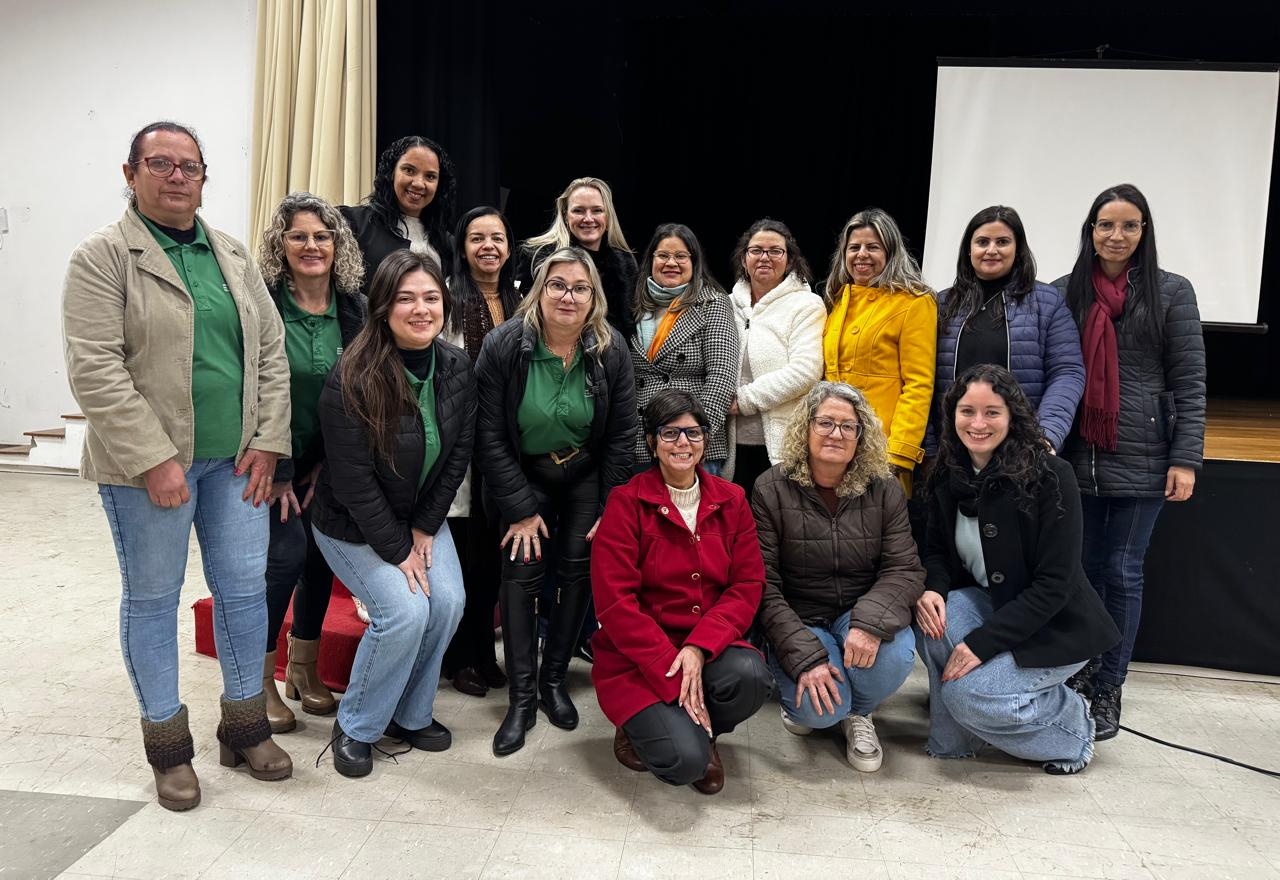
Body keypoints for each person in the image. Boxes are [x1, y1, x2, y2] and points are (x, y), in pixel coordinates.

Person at [63, 120, 293, 811]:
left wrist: (269, 438)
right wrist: (154, 458)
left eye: (188, 165)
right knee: (154, 601)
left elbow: (271, 353)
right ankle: (169, 751)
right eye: (159, 163)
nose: (175, 175)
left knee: (245, 595)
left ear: (203, 176)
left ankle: (245, 726)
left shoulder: (231, 254)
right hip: (148, 473)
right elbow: (94, 369)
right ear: (130, 174)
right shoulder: (102, 257)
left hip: (236, 465)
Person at [309, 250, 473, 777]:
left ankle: (410, 713)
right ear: (383, 307)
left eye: (430, 298)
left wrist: (425, 527)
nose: (420, 309)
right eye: (406, 299)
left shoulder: (456, 367)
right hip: (352, 525)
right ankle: (356, 724)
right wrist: (400, 551)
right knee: (403, 613)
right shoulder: (352, 375)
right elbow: (354, 482)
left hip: (418, 519)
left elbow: (456, 457)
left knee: (447, 601)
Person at [1053, 184, 1206, 740]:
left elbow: (1189, 381)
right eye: (1105, 225)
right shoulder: (1063, 293)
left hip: (1144, 454)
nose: (1116, 236)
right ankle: (1080, 674)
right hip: (1076, 455)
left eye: (1129, 225)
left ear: (1145, 232)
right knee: (1079, 573)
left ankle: (1109, 687)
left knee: (1120, 571)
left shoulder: (1171, 292)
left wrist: (1186, 456)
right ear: (1090, 231)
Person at [915, 365, 1120, 774]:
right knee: (932, 622)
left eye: (992, 412)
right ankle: (956, 741)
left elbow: (1054, 585)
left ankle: (1073, 727)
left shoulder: (1051, 476)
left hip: (1055, 625)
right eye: (967, 411)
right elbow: (936, 552)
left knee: (970, 696)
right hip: (993, 605)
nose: (977, 423)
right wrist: (933, 589)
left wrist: (981, 644)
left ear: (1013, 417)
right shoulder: (945, 473)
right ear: (952, 415)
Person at [476, 246, 637, 756]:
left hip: (585, 472)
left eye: (580, 288)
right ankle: (521, 700)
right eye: (558, 285)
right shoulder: (504, 345)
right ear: (539, 291)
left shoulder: (612, 350)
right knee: (522, 574)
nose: (569, 296)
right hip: (525, 474)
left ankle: (552, 683)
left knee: (576, 571)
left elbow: (621, 437)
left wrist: (613, 503)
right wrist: (520, 508)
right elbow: (489, 437)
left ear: (595, 299)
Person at [592, 391, 774, 794]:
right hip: (639, 658)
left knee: (751, 677)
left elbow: (747, 586)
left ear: (706, 440)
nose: (682, 444)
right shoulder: (625, 504)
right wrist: (675, 672)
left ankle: (704, 732)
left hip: (706, 649)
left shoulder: (733, 500)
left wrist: (697, 650)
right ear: (652, 442)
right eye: (669, 433)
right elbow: (615, 605)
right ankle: (640, 727)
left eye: (692, 433)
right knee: (683, 763)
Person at [753, 382, 925, 772]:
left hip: (858, 612)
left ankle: (860, 713)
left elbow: (904, 567)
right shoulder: (770, 487)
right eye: (826, 422)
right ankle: (830, 705)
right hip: (800, 618)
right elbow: (762, 583)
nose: (836, 434)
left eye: (849, 426)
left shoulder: (883, 489)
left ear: (862, 436)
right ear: (806, 428)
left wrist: (868, 624)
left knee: (895, 656)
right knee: (817, 710)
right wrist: (805, 657)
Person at [255, 192, 368, 732]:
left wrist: (330, 465)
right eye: (298, 235)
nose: (311, 245)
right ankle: (259, 681)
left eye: (322, 236)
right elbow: (252, 393)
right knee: (283, 562)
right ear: (281, 243)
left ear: (338, 244)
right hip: (267, 462)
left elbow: (361, 395)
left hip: (326, 463)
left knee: (321, 564)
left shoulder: (356, 309)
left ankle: (304, 670)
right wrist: (279, 472)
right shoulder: (263, 306)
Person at [440, 207, 521, 697]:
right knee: (466, 559)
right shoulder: (447, 299)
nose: (488, 246)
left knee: (493, 560)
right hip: (461, 446)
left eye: (497, 237)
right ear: (463, 247)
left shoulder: (521, 301)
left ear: (509, 247)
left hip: (507, 447)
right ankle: (459, 657)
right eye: (477, 238)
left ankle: (483, 654)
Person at [929, 205, 1084, 456]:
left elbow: (1067, 373)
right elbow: (923, 381)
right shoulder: (941, 304)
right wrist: (930, 448)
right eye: (982, 242)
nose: (992, 250)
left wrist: (1046, 436)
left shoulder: (1047, 302)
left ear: (1018, 249)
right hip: (953, 451)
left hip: (1024, 451)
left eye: (1002, 242)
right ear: (968, 250)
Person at [821, 208, 936, 497]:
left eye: (873, 247)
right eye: (854, 247)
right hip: (834, 443)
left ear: (891, 252)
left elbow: (919, 385)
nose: (862, 254)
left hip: (880, 450)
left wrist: (898, 455)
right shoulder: (838, 299)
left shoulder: (915, 302)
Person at [629, 223, 737, 475]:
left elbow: (721, 378)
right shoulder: (633, 304)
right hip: (642, 443)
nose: (671, 263)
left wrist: (692, 435)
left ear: (694, 262)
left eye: (680, 256)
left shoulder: (712, 303)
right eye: (663, 255)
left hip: (693, 446)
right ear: (651, 259)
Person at [727, 219, 826, 492]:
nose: (764, 257)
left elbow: (806, 371)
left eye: (775, 251)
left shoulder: (806, 305)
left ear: (790, 258)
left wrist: (744, 400)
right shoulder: (726, 304)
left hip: (780, 445)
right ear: (744, 257)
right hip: (727, 445)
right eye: (756, 250)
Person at [514, 177, 639, 340]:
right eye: (578, 210)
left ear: (607, 217)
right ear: (566, 216)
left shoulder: (625, 263)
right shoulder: (538, 257)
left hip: (610, 358)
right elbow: (523, 316)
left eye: (597, 210)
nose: (588, 219)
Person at [340, 135, 457, 292]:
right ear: (391, 172)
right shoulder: (352, 223)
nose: (418, 183)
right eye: (409, 170)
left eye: (430, 176)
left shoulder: (448, 244)